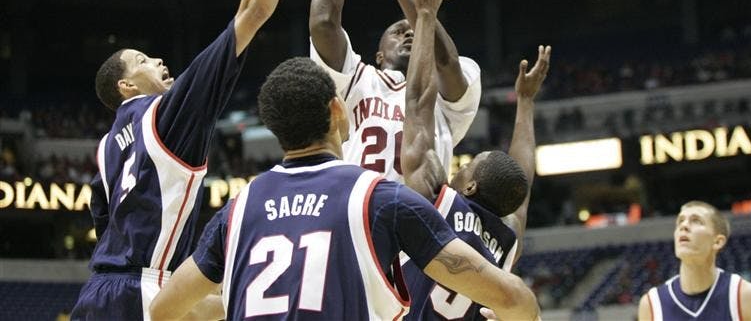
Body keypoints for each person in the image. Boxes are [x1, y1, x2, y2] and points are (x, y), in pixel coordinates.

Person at [71, 0, 338, 321]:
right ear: (126, 86)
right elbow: (252, 12)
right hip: (143, 289)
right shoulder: (166, 115)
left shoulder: (104, 148)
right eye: (142, 60)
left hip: (98, 292)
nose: (157, 62)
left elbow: (108, 223)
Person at [148, 56, 540, 321]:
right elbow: (516, 299)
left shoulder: (237, 210)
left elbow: (164, 310)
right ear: (338, 110)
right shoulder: (383, 199)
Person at [397, 0, 550, 320]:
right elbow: (522, 185)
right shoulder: (506, 240)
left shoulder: (441, 204)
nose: (459, 168)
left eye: (468, 167)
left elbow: (417, 104)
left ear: (468, 188)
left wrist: (425, 17)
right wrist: (525, 104)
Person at [308, 0, 480, 182]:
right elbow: (323, 23)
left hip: (422, 216)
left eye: (414, 30)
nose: (410, 34)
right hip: (360, 216)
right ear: (378, 55)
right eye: (399, 31)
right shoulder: (356, 81)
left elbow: (445, 62)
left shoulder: (456, 84)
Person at [638, 201, 751, 321]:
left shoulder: (747, 297)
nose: (684, 226)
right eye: (680, 221)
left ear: (718, 241)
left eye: (696, 221)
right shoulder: (651, 304)